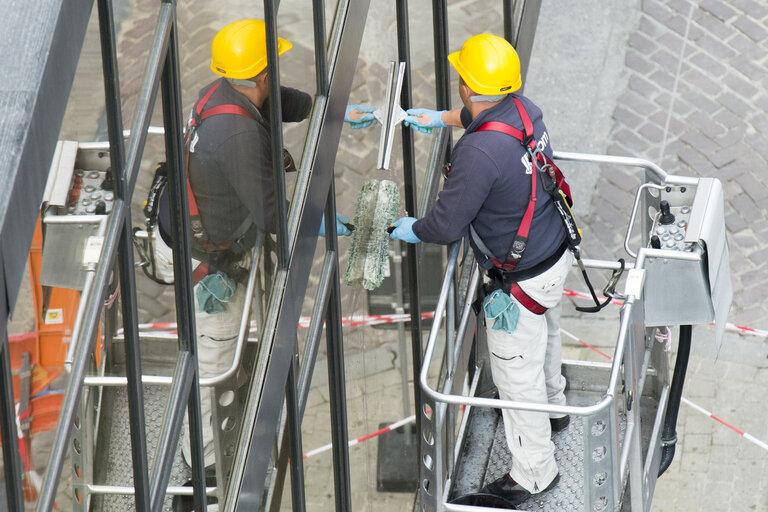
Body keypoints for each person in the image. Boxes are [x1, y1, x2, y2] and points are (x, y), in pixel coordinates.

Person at [170, 18, 350, 510]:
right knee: (214, 351)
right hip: (213, 262)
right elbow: (273, 214)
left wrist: (326, 110)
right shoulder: (236, 135)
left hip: (214, 234)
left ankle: (220, 412)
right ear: (262, 73)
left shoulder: (227, 90)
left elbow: (280, 100)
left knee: (222, 351)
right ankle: (201, 461)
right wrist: (324, 221)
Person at [388, 34, 573, 508]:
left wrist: (414, 228)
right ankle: (555, 408)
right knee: (547, 334)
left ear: (467, 86)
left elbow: (447, 225)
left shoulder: (477, 154)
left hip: (520, 279)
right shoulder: (525, 109)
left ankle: (535, 472)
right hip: (552, 253)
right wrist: (443, 119)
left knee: (516, 376)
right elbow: (486, 117)